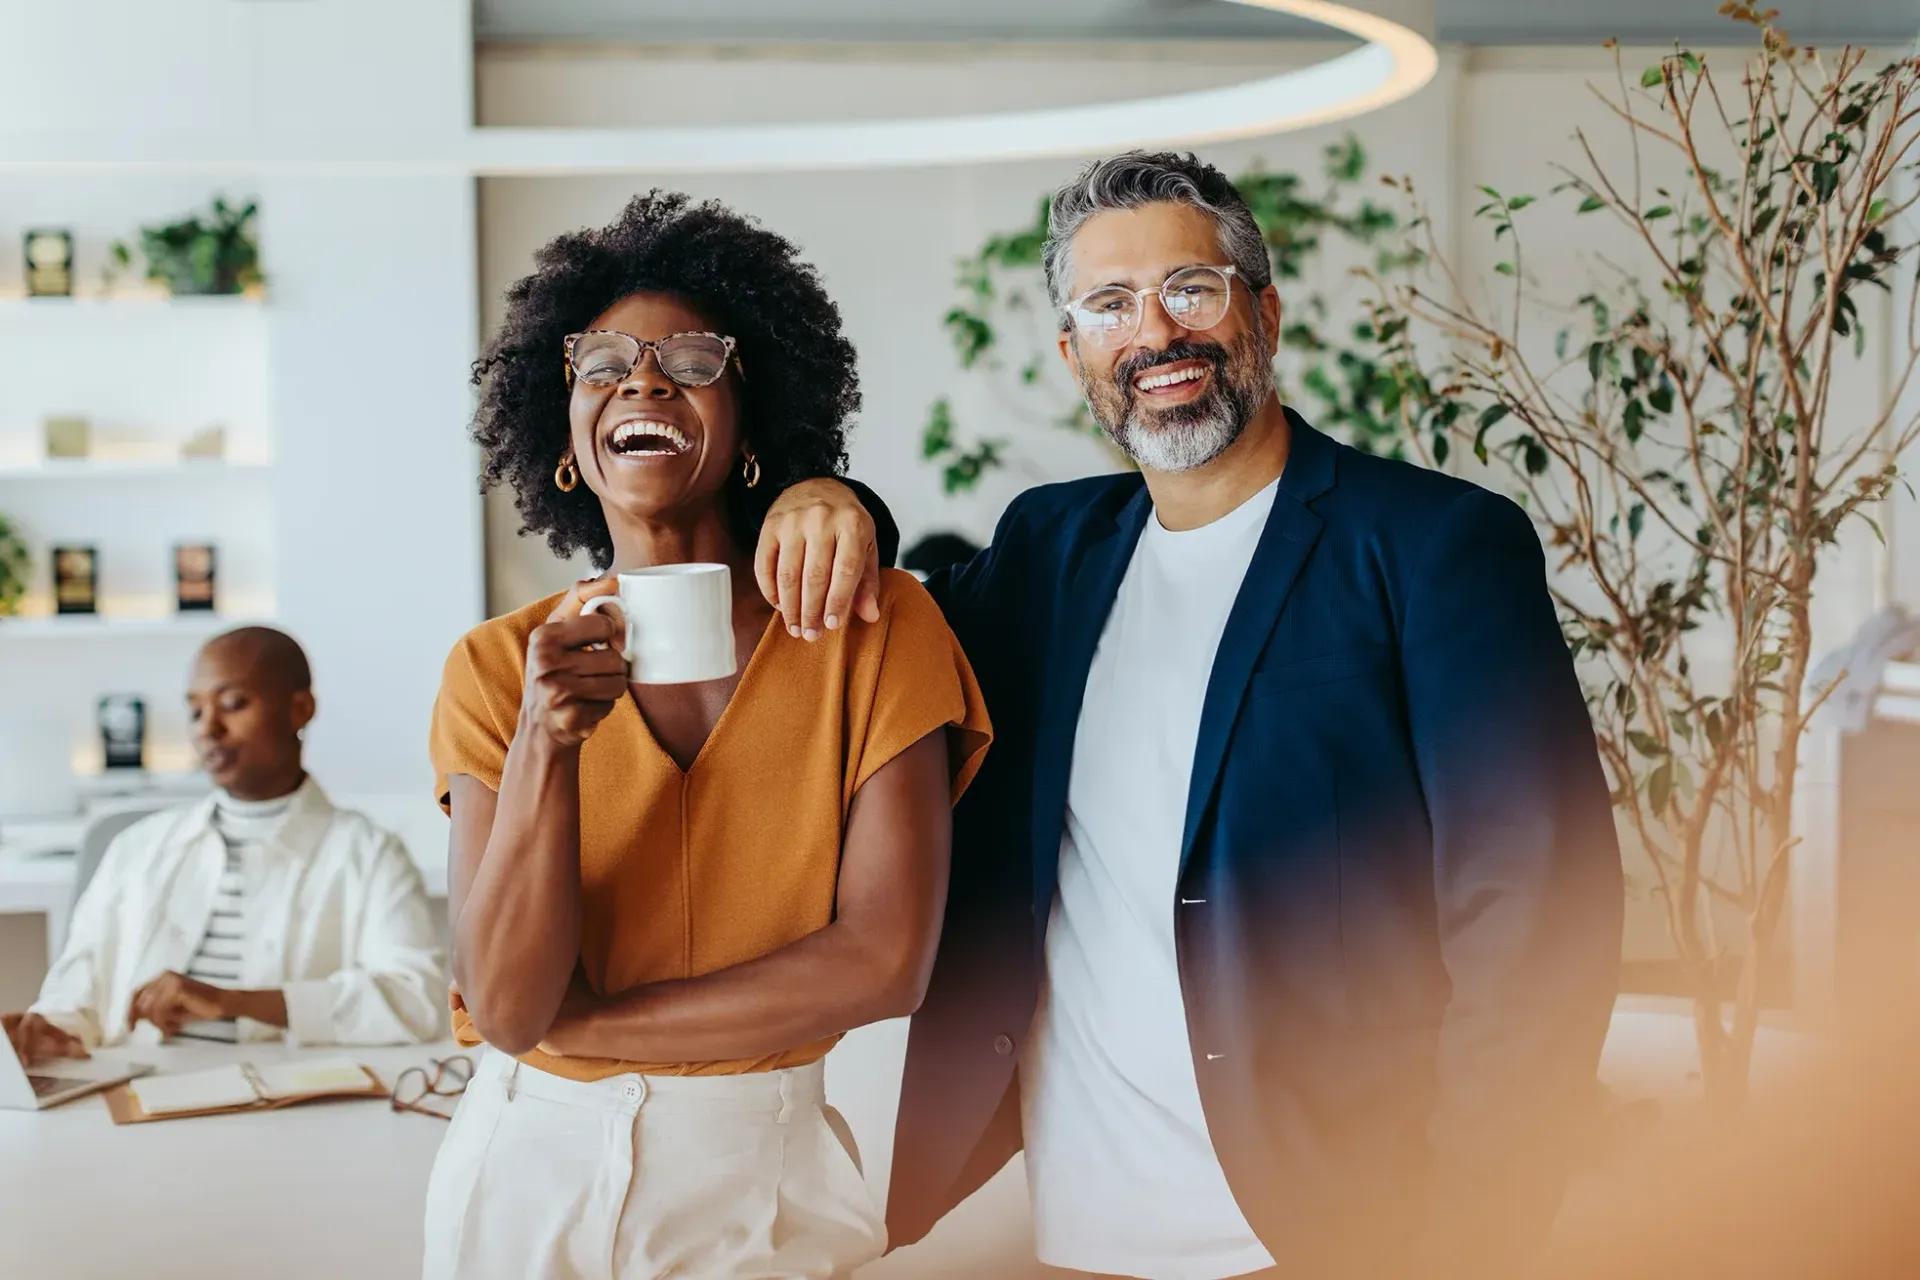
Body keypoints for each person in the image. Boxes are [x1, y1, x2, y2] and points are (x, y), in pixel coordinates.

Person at [753, 151, 1625, 1279]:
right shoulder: (1044, 554)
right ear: (1073, 355)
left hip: (1342, 1229)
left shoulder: (1432, 547)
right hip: (1081, 1229)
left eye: (1191, 289)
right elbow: (871, 620)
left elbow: (1540, 918)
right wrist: (827, 494)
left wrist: (1466, 1232)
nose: (1155, 331)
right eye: (1109, 305)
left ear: (1263, 309)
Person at [425, 191, 990, 1280]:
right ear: (567, 443)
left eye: (689, 358)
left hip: (763, 1183)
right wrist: (547, 744)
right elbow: (502, 998)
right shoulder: (498, 669)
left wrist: (580, 1024)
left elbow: (883, 961)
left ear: (748, 423)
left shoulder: (876, 627)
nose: (642, 379)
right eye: (602, 363)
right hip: (520, 1181)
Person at [2, 627, 444, 1065]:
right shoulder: (137, 849)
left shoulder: (368, 854)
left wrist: (235, 1001)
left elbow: (416, 1002)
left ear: (300, 708)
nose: (207, 729)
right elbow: (75, 996)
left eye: (233, 704)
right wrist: (46, 1029)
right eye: (195, 711)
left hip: (294, 1107)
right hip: (142, 1093)